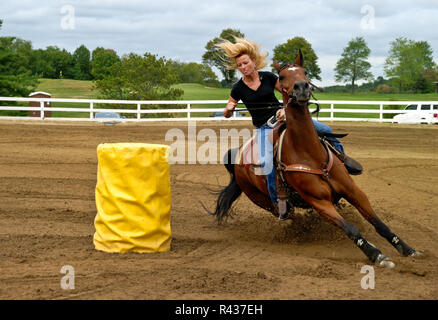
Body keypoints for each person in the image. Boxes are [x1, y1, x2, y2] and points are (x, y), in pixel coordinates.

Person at [217, 38, 362, 217]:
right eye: (240, 65)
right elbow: (227, 112)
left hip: (285, 119)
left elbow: (289, 93)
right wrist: (228, 109)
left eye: (246, 63)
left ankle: (344, 162)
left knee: (326, 130)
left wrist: (285, 110)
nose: (244, 67)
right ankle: (279, 200)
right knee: (266, 162)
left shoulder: (269, 78)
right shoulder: (237, 88)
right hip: (264, 128)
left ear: (253, 62)